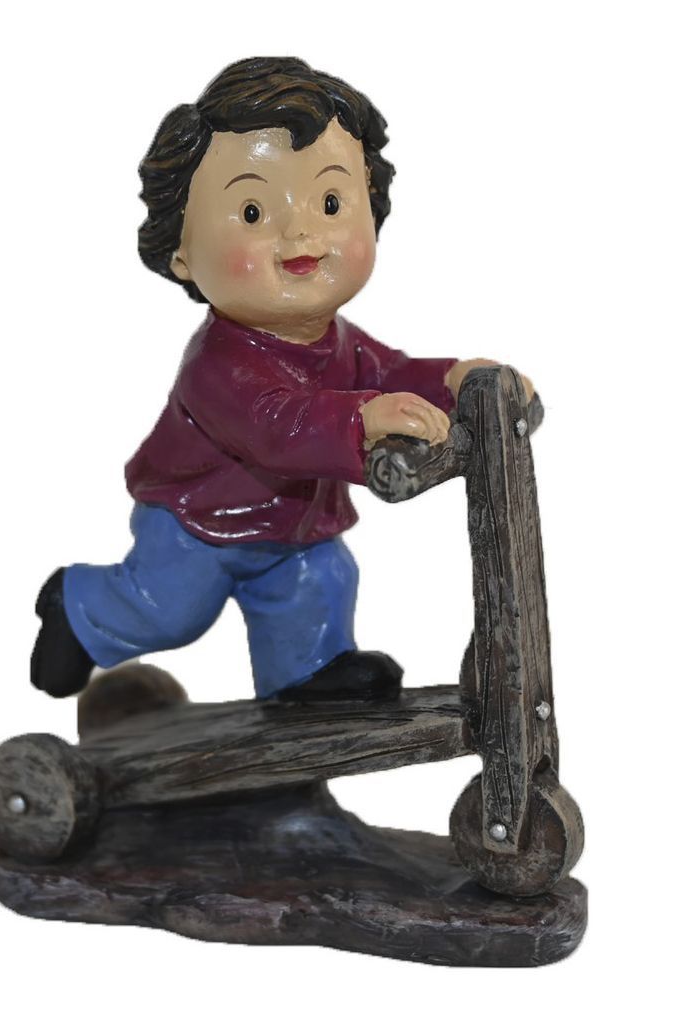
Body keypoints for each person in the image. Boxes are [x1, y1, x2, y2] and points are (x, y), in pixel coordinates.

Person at [30, 56, 531, 703]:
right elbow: (276, 428)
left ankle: (305, 679)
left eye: (330, 203)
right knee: (169, 611)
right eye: (251, 212)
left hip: (292, 530)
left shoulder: (338, 341)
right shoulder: (220, 364)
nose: (300, 233)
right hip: (196, 523)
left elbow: (392, 373)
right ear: (181, 254)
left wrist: (456, 380)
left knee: (321, 580)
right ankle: (78, 606)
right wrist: (362, 419)